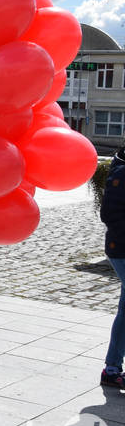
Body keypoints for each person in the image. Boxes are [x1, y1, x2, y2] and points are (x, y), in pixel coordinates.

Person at [99, 144, 125, 389]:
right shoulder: (122, 173)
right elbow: (109, 214)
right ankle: (112, 368)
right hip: (123, 250)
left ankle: (113, 367)